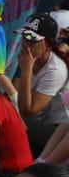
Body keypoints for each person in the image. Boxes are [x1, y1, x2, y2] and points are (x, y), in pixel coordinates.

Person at [16, 14, 69, 156]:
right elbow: (14, 91)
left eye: (32, 40)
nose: (26, 44)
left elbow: (27, 111)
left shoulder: (55, 70)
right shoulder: (29, 57)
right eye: (24, 37)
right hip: (44, 123)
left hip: (61, 130)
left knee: (18, 125)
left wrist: (26, 71)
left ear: (49, 44)